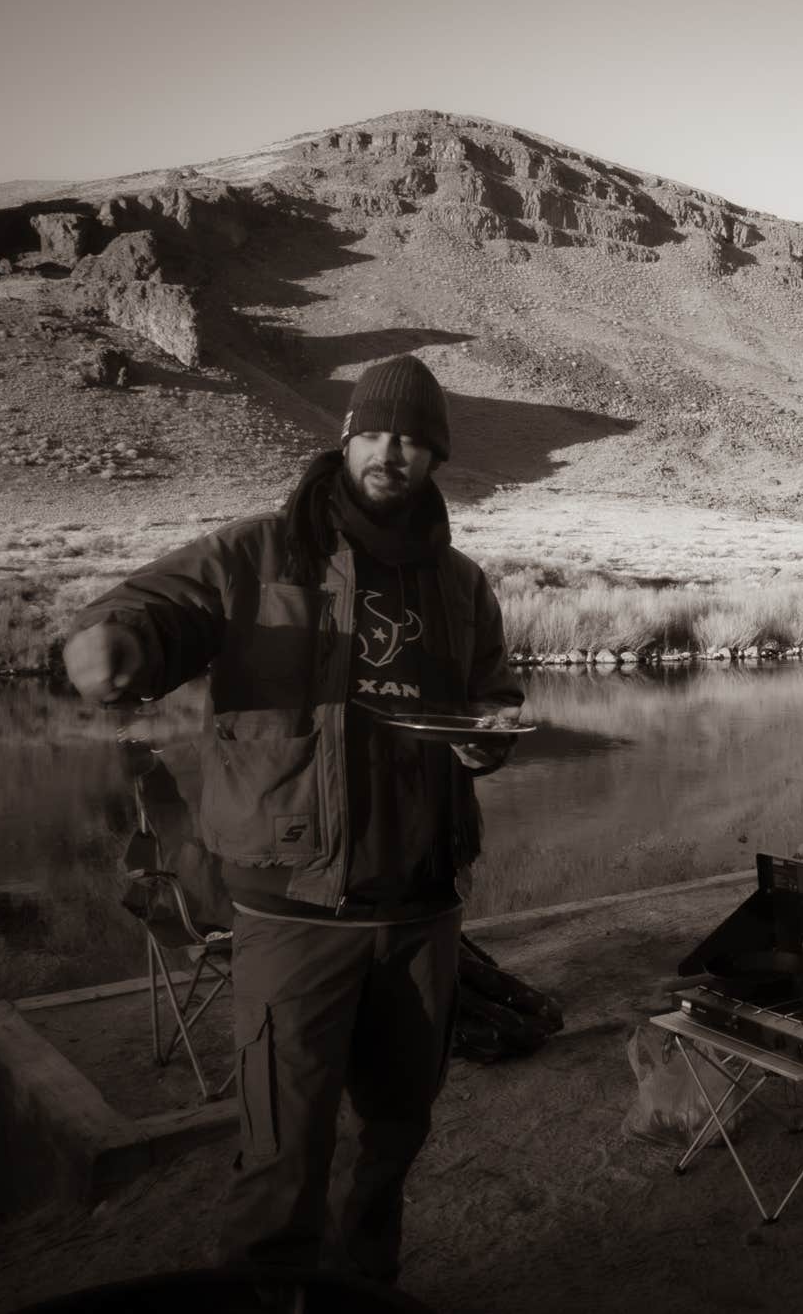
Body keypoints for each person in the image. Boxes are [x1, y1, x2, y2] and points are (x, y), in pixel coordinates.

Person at [63, 354, 524, 1285]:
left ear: (435, 456)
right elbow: (147, 616)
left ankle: (360, 1292)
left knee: (395, 1135)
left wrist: (489, 736)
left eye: (414, 437)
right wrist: (109, 649)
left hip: (422, 911)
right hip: (294, 915)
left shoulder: (463, 582)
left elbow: (492, 694)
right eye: (376, 430)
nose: (392, 450)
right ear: (345, 435)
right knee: (282, 1158)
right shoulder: (257, 553)